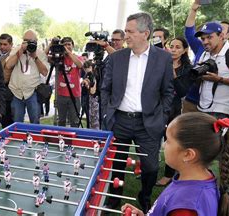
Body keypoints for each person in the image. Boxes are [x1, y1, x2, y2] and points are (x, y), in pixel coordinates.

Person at [100, 12, 174, 212]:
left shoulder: (163, 59)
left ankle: (145, 198)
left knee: (150, 167)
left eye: (130, 31)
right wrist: (108, 113)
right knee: (117, 164)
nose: (126, 36)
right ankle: (113, 200)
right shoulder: (117, 58)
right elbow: (105, 88)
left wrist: (161, 116)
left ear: (145, 33)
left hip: (148, 123)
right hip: (120, 121)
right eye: (126, 31)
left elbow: (168, 92)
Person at [122, 112, 229, 216]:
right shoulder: (196, 180)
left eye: (168, 141)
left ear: (188, 154)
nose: (163, 145)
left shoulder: (186, 208)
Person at [156, 37, 195, 186]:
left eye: (178, 47)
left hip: (173, 108)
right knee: (152, 138)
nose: (173, 49)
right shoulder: (160, 62)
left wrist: (171, 70)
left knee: (171, 141)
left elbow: (181, 91)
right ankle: (150, 169)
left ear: (185, 50)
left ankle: (168, 175)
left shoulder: (188, 69)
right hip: (157, 106)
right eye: (171, 46)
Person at [194, 21, 229, 119]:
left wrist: (219, 79)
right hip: (202, 108)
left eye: (209, 37)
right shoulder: (205, 54)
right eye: (203, 38)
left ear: (221, 36)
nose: (205, 42)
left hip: (224, 111)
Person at [5, 30, 49, 124]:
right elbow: (8, 65)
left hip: (32, 92)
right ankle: (18, 138)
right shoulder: (17, 50)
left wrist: (35, 57)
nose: (28, 43)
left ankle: (34, 138)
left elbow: (45, 72)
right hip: (16, 92)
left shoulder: (40, 53)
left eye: (31, 41)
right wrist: (20, 51)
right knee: (17, 122)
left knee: (35, 121)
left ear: (36, 41)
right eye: (26, 40)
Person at [55, 37, 83, 127]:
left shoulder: (78, 57)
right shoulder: (59, 58)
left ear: (73, 46)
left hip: (74, 95)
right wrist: (53, 44)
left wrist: (69, 53)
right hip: (61, 95)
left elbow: (80, 65)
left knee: (74, 121)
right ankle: (61, 139)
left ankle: (73, 140)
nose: (67, 46)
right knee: (61, 121)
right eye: (64, 45)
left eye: (69, 44)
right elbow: (47, 57)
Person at [0, 33, 15, 128]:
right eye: (1, 44)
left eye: (5, 44)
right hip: (0, 93)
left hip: (9, 93)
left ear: (11, 44)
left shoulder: (13, 56)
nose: (2, 47)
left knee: (8, 121)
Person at [81, 60, 99, 129]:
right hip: (86, 98)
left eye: (87, 68)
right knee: (89, 117)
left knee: (93, 118)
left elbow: (92, 90)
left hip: (93, 100)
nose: (86, 70)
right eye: (84, 69)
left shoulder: (94, 75)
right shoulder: (87, 75)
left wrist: (88, 85)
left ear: (91, 67)